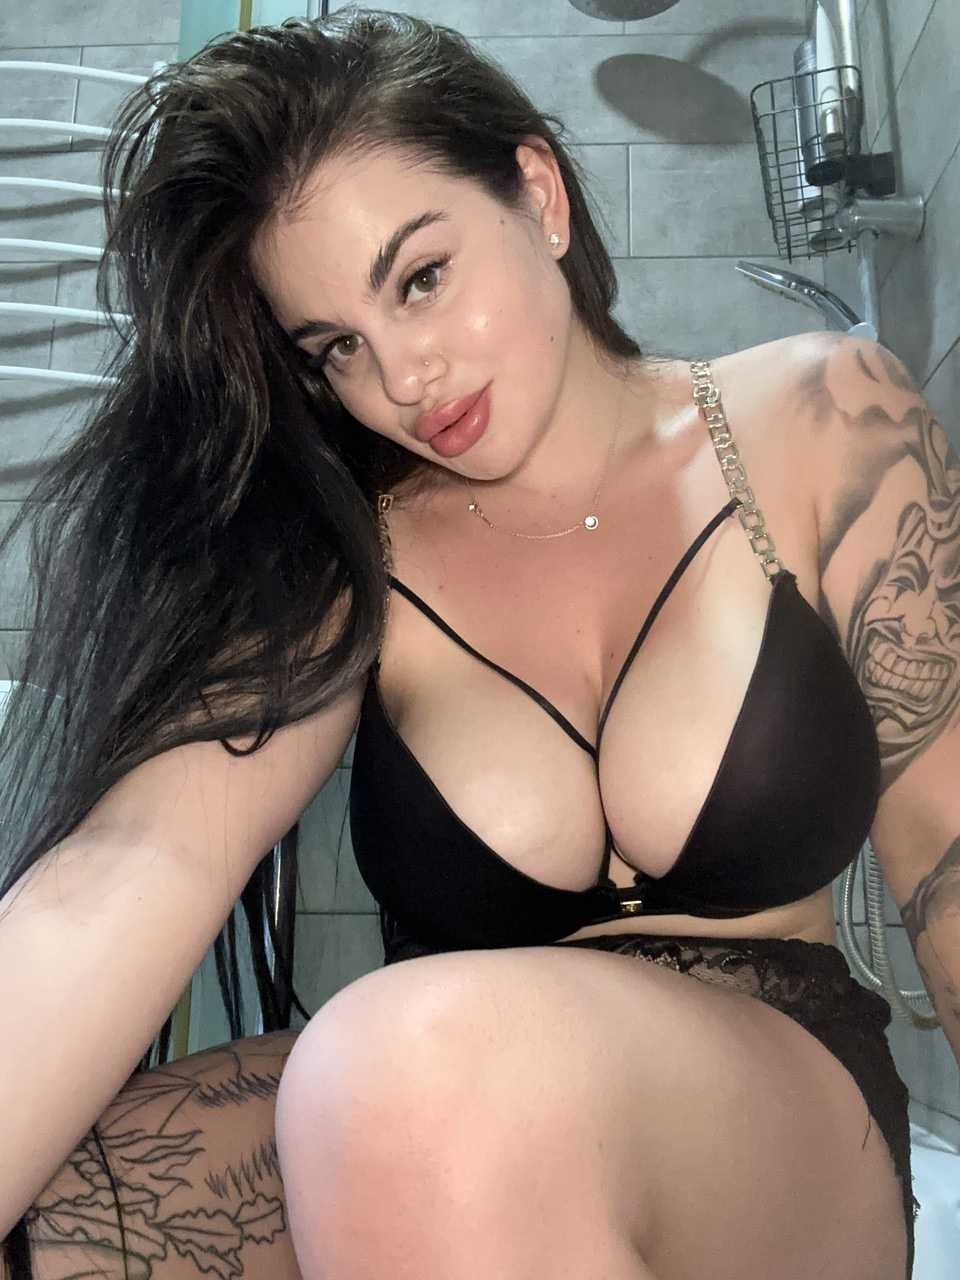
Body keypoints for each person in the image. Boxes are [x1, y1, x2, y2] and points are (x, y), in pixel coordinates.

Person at [1, 7, 956, 1278]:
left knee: (415, 1073)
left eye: (421, 278)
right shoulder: (348, 553)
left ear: (538, 196)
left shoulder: (821, 415)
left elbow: (949, 856)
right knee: (52, 1218)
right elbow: (139, 857)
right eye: (337, 347)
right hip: (437, 1137)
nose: (401, 377)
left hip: (776, 1133)